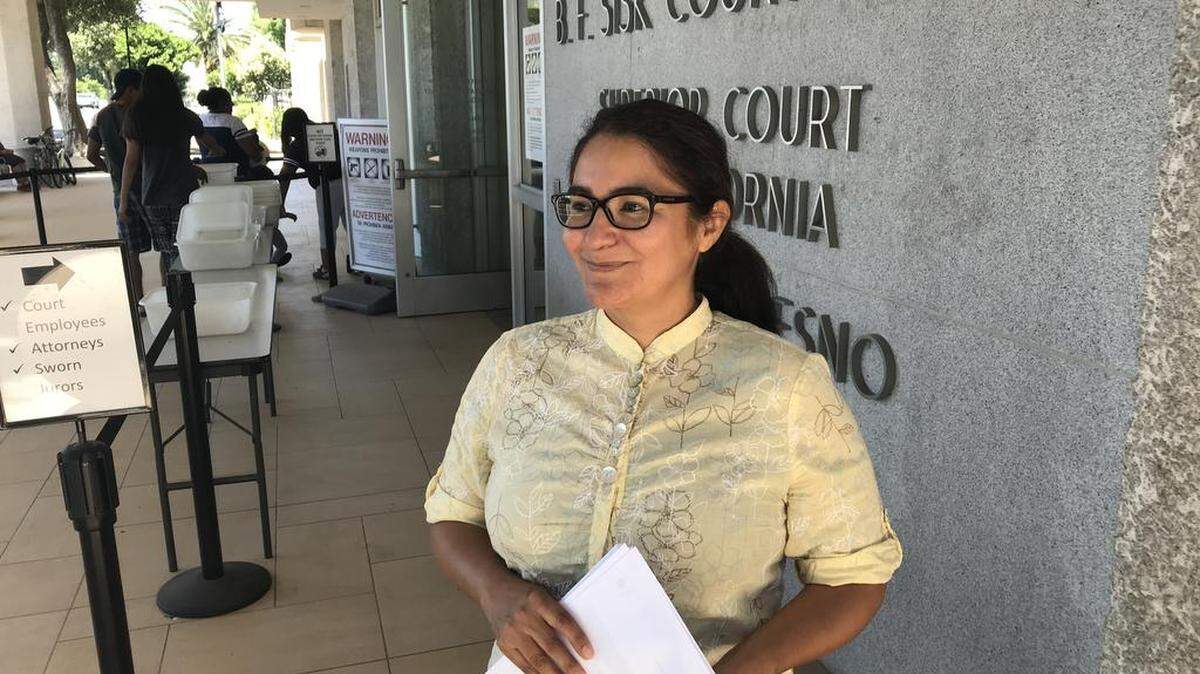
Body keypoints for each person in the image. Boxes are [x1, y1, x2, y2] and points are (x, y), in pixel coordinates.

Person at [426, 99, 903, 674]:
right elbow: (453, 513)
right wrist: (496, 595)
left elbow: (853, 578)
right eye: (581, 206)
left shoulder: (785, 388)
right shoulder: (516, 363)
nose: (594, 237)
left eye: (632, 207)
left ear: (709, 225)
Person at [118, 64, 224, 278]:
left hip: (152, 195)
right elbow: (210, 144)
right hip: (184, 193)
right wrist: (216, 152)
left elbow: (131, 160)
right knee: (184, 249)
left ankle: (173, 302)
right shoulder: (184, 115)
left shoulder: (136, 116)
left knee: (167, 252)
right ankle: (188, 300)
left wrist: (123, 201)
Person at [196, 86, 291, 266]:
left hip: (212, 182)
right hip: (240, 179)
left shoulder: (201, 121)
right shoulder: (234, 123)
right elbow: (253, 154)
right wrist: (253, 139)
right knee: (258, 218)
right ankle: (267, 259)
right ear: (224, 104)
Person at [86, 68, 150, 299]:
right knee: (166, 246)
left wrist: (112, 170)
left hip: (120, 192)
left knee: (131, 252)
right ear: (132, 89)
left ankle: (138, 301)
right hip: (148, 188)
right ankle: (171, 302)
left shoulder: (101, 116)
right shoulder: (142, 113)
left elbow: (91, 154)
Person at [278, 107, 343, 281]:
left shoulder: (298, 144)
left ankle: (328, 269)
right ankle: (361, 264)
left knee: (327, 229)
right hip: (351, 182)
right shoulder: (328, 131)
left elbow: (285, 175)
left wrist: (280, 203)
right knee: (354, 226)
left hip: (326, 186)